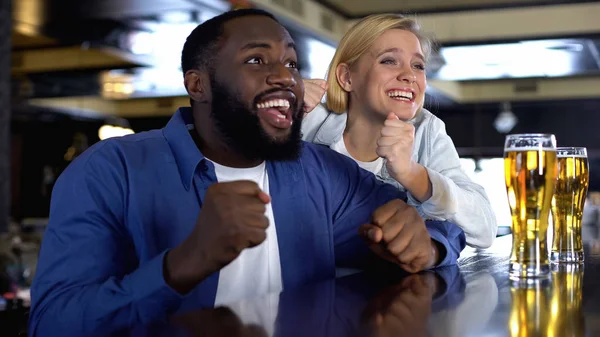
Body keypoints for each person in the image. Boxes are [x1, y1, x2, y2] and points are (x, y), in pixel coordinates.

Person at [28, 9, 466, 336]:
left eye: (293, 64)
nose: (285, 78)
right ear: (198, 84)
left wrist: (425, 245)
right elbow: (52, 324)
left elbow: (439, 229)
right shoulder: (108, 172)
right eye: (257, 62)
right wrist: (183, 263)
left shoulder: (322, 174)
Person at [301, 14, 496, 248]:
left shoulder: (427, 131)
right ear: (346, 77)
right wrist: (276, 103)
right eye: (389, 61)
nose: (409, 76)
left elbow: (485, 229)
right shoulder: (307, 119)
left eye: (418, 65)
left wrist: (413, 175)